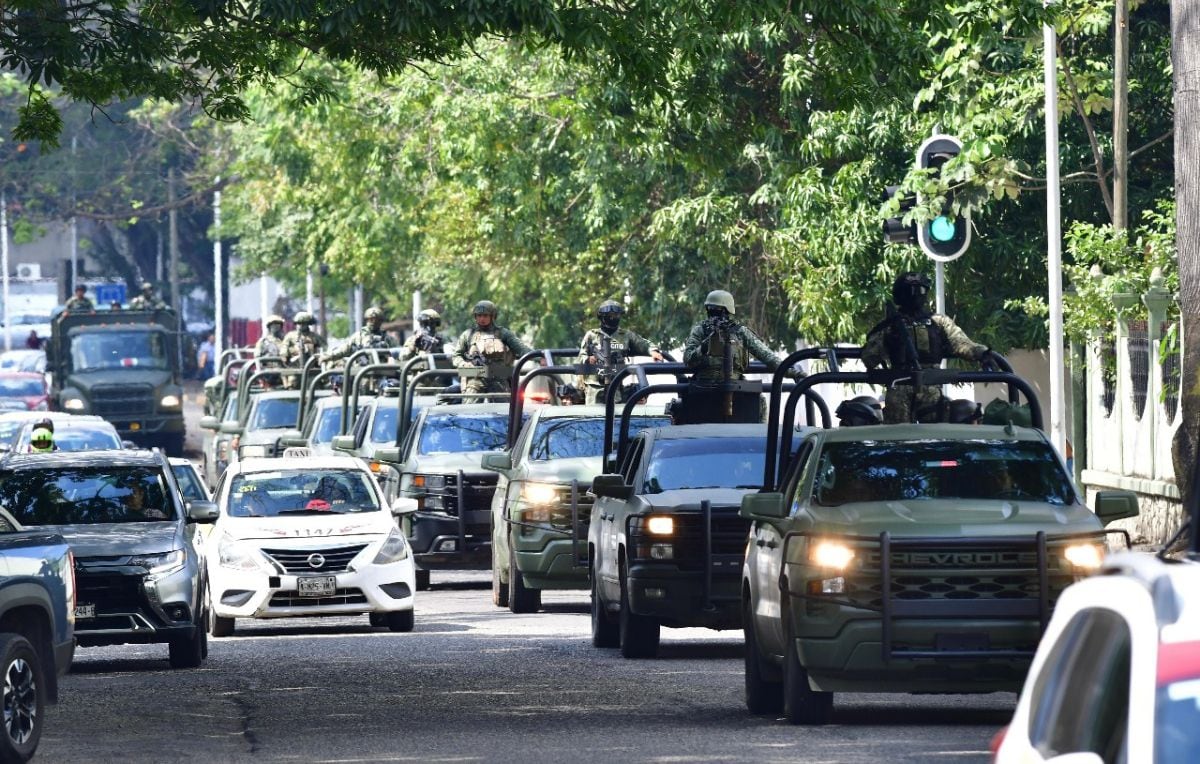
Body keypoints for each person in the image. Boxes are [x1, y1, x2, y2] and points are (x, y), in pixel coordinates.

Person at [861, 272, 989, 424]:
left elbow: (961, 343)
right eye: (911, 291)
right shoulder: (889, 326)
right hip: (899, 385)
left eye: (920, 290)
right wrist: (890, 335)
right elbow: (869, 359)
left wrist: (983, 354)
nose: (916, 295)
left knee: (934, 438)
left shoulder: (938, 322)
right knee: (897, 440)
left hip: (931, 384)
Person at [683, 290, 787, 382]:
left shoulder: (739, 331)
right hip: (704, 387)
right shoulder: (700, 330)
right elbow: (687, 359)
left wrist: (789, 370)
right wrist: (704, 347)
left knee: (759, 401)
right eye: (710, 309)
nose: (714, 313)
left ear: (727, 311)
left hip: (735, 387)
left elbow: (766, 355)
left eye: (718, 310)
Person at [575, 300, 664, 404]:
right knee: (594, 417)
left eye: (616, 315)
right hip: (594, 387)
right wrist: (588, 359)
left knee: (615, 416)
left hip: (616, 385)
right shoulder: (591, 335)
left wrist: (652, 351)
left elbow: (643, 344)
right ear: (602, 317)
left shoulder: (625, 335)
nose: (613, 317)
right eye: (610, 315)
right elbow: (580, 359)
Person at [451, 300, 531, 400]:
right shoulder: (468, 335)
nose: (482, 319)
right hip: (475, 378)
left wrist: (539, 357)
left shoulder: (503, 333)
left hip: (498, 378)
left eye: (485, 315)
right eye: (479, 316)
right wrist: (464, 364)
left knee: (504, 410)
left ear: (492, 316)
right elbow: (456, 355)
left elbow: (522, 349)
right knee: (469, 409)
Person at [321, 306, 397, 368]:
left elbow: (398, 353)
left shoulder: (387, 338)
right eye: (371, 320)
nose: (374, 322)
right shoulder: (358, 337)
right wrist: (327, 356)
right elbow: (343, 350)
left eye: (377, 320)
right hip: (360, 374)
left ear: (380, 321)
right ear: (366, 320)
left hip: (382, 372)